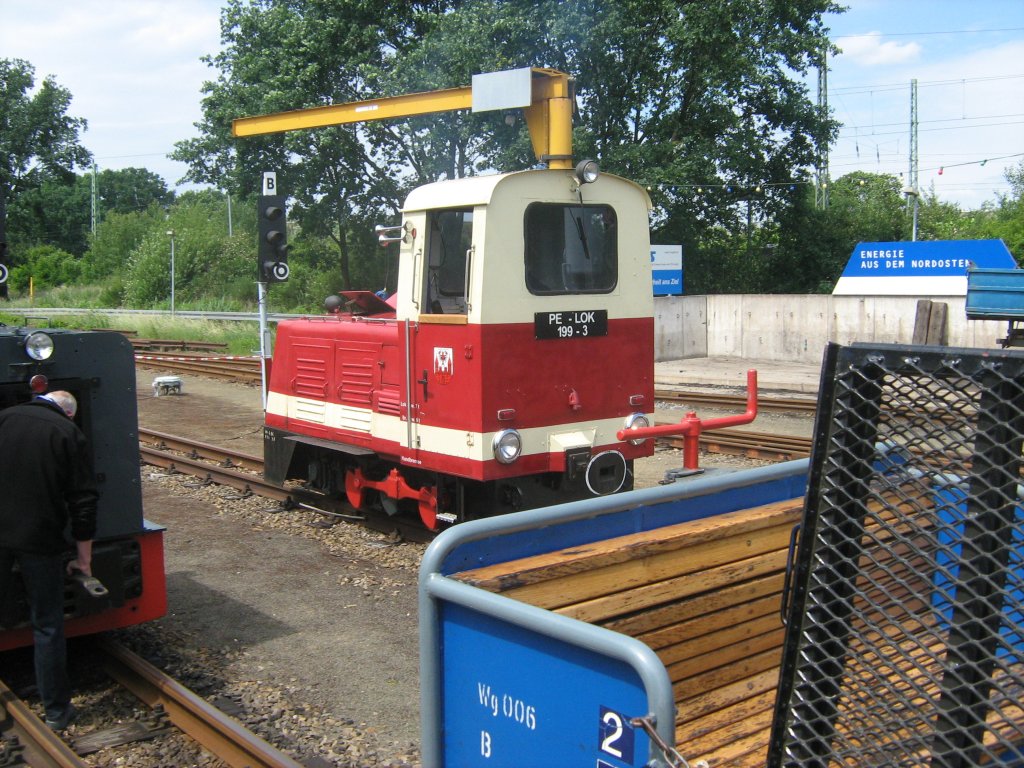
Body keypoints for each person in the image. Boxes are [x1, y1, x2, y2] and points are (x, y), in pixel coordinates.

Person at [0, 390, 98, 730]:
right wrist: (83, 559)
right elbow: (83, 501)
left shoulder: (5, 419)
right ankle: (57, 713)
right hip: (39, 541)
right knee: (47, 625)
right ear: (69, 413)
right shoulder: (67, 433)